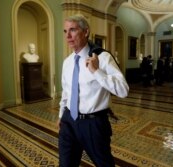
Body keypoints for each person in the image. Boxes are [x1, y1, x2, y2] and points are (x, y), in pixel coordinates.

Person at [58, 14, 129, 167]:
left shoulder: (103, 57)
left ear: (86, 32)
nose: (68, 36)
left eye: (73, 30)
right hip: (68, 121)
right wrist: (61, 115)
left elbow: (123, 90)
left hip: (93, 124)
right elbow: (66, 91)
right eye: (65, 31)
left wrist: (97, 71)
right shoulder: (67, 62)